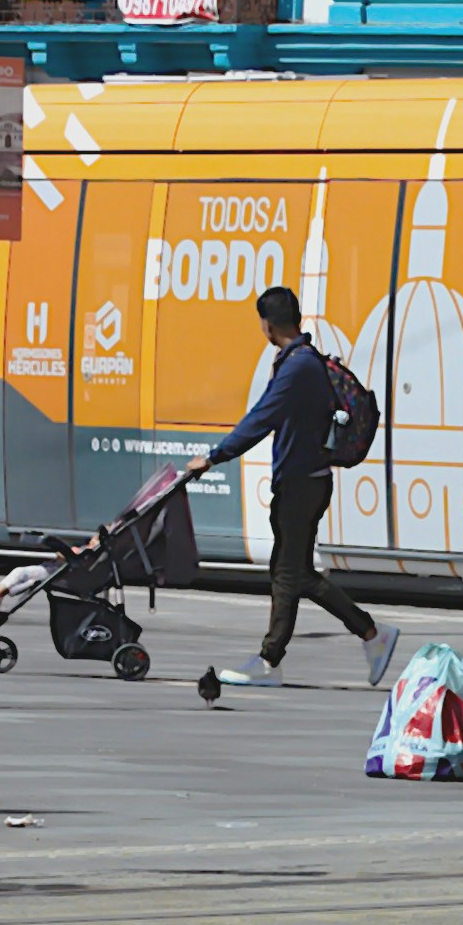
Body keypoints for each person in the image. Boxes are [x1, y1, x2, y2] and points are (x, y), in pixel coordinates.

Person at [198, 284, 393, 689]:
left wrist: (215, 456)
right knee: (292, 572)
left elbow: (261, 418)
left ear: (266, 326)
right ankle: (367, 637)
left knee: (291, 574)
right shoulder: (299, 361)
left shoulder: (297, 367)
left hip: (303, 484)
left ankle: (275, 659)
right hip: (304, 481)